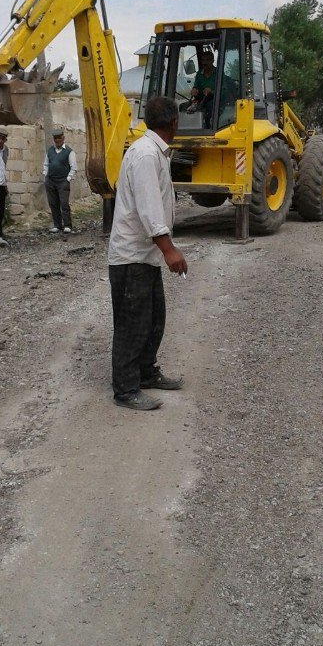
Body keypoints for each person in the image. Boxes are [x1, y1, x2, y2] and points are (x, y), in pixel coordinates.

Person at [108, 95, 188, 411]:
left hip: (144, 256)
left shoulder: (153, 152)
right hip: (131, 258)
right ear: (174, 123)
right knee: (132, 324)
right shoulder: (144, 155)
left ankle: (145, 373)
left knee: (154, 318)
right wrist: (169, 250)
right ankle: (126, 390)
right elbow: (148, 207)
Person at [43, 128, 77, 234]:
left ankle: (67, 225)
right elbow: (46, 164)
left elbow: (74, 167)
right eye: (55, 138)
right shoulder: (50, 150)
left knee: (64, 203)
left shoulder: (69, 151)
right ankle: (57, 225)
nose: (57, 140)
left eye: (59, 138)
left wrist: (68, 179)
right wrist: (46, 175)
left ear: (63, 138)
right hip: (50, 181)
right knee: (53, 203)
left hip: (62, 181)